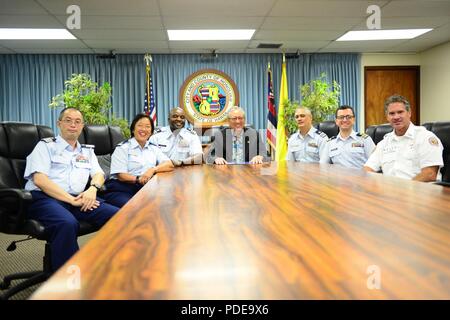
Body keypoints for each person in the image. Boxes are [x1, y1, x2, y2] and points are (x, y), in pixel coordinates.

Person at [24, 107, 119, 271]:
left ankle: (110, 269)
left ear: (82, 126)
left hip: (78, 198)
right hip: (45, 199)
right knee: (66, 223)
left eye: (77, 121)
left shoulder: (87, 151)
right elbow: (40, 180)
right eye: (68, 120)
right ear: (59, 124)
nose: (73, 125)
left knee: (119, 217)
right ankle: (68, 281)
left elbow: (98, 174)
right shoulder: (45, 146)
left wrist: (92, 189)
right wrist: (71, 200)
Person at [364, 94, 443, 182]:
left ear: (409, 113)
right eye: (392, 113)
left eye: (400, 112)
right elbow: (368, 169)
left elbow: (430, 174)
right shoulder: (384, 142)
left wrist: (405, 190)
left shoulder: (425, 137)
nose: (396, 117)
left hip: (420, 191)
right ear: (387, 117)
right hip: (389, 192)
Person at [103, 113, 174, 207]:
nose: (144, 129)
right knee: (137, 208)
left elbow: (169, 164)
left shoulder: (153, 148)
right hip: (121, 189)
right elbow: (121, 175)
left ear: (151, 132)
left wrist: (152, 170)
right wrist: (139, 179)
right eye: (140, 126)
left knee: (167, 202)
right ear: (133, 129)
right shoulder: (123, 148)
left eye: (147, 127)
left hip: (144, 188)